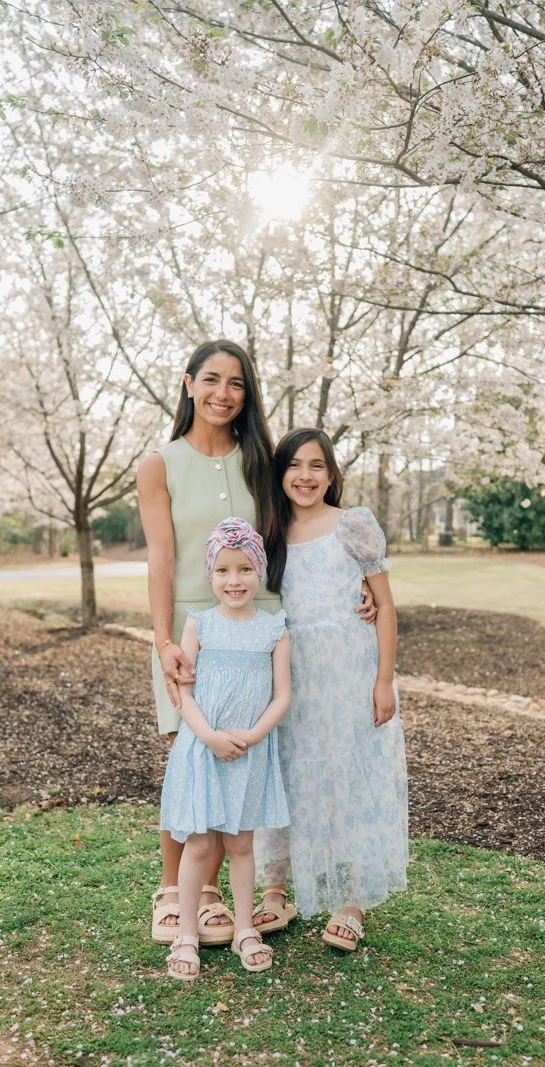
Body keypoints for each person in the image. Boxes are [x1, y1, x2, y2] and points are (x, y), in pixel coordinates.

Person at [137, 340, 376, 944]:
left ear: (248, 394)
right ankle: (172, 893)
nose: (223, 393)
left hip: (262, 625)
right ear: (188, 384)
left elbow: (300, 524)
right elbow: (161, 558)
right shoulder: (159, 464)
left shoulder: (261, 461)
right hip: (192, 630)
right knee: (191, 758)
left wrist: (358, 584)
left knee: (242, 756)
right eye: (211, 379)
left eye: (236, 383)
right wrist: (162, 641)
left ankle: (210, 894)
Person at [253, 427, 408, 952]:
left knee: (351, 778)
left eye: (316, 465)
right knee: (287, 774)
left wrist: (383, 680)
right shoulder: (269, 532)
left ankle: (352, 901)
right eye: (294, 466)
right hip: (290, 677)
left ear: (331, 473)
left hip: (349, 675)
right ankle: (276, 890)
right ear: (280, 474)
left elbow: (385, 605)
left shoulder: (352, 524)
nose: (305, 476)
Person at [162, 518, 290, 979]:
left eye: (244, 569)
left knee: (241, 842)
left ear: (259, 570)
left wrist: (252, 737)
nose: (234, 580)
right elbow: (185, 695)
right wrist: (210, 737)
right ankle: (186, 934)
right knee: (199, 843)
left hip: (249, 752)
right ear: (210, 575)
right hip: (204, 748)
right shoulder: (200, 625)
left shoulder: (274, 629)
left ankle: (244, 929)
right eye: (222, 570)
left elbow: (282, 696)